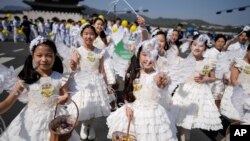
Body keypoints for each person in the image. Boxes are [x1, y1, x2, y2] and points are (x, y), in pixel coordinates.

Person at [0, 36, 81, 141]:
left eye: (49, 55)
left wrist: (65, 97)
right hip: (32, 121)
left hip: (56, 119)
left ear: (54, 57)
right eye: (39, 55)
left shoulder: (60, 77)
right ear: (33, 56)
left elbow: (66, 94)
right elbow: (8, 102)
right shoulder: (26, 78)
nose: (44, 59)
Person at [107, 39, 178, 141]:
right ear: (138, 55)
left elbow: (162, 88)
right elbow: (128, 93)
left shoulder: (159, 75)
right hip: (133, 112)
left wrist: (161, 83)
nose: (148, 59)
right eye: (145, 55)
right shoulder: (133, 73)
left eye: (151, 55)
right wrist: (127, 107)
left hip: (153, 116)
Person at [172, 34, 222, 141]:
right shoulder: (183, 60)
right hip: (184, 92)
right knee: (182, 125)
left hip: (199, 95)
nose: (197, 48)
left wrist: (206, 79)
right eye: (195, 44)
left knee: (187, 125)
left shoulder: (208, 62)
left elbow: (213, 78)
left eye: (201, 46)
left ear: (205, 48)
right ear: (191, 46)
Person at [68, 24, 113, 140]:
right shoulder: (77, 51)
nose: (89, 36)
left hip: (96, 82)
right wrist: (72, 65)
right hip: (82, 82)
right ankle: (84, 125)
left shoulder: (100, 52)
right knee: (84, 104)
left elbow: (102, 71)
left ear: (95, 36)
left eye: (91, 34)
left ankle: (90, 126)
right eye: (86, 34)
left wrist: (107, 85)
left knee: (95, 105)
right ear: (82, 35)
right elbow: (73, 68)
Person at [203, 34, 227, 108]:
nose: (220, 43)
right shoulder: (209, 52)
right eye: (218, 41)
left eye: (222, 42)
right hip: (211, 80)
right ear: (215, 42)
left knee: (219, 99)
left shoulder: (224, 54)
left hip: (221, 81)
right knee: (209, 100)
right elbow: (205, 66)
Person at [231, 44, 250, 122]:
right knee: (237, 121)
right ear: (248, 51)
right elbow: (233, 80)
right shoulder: (239, 63)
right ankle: (229, 134)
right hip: (239, 95)